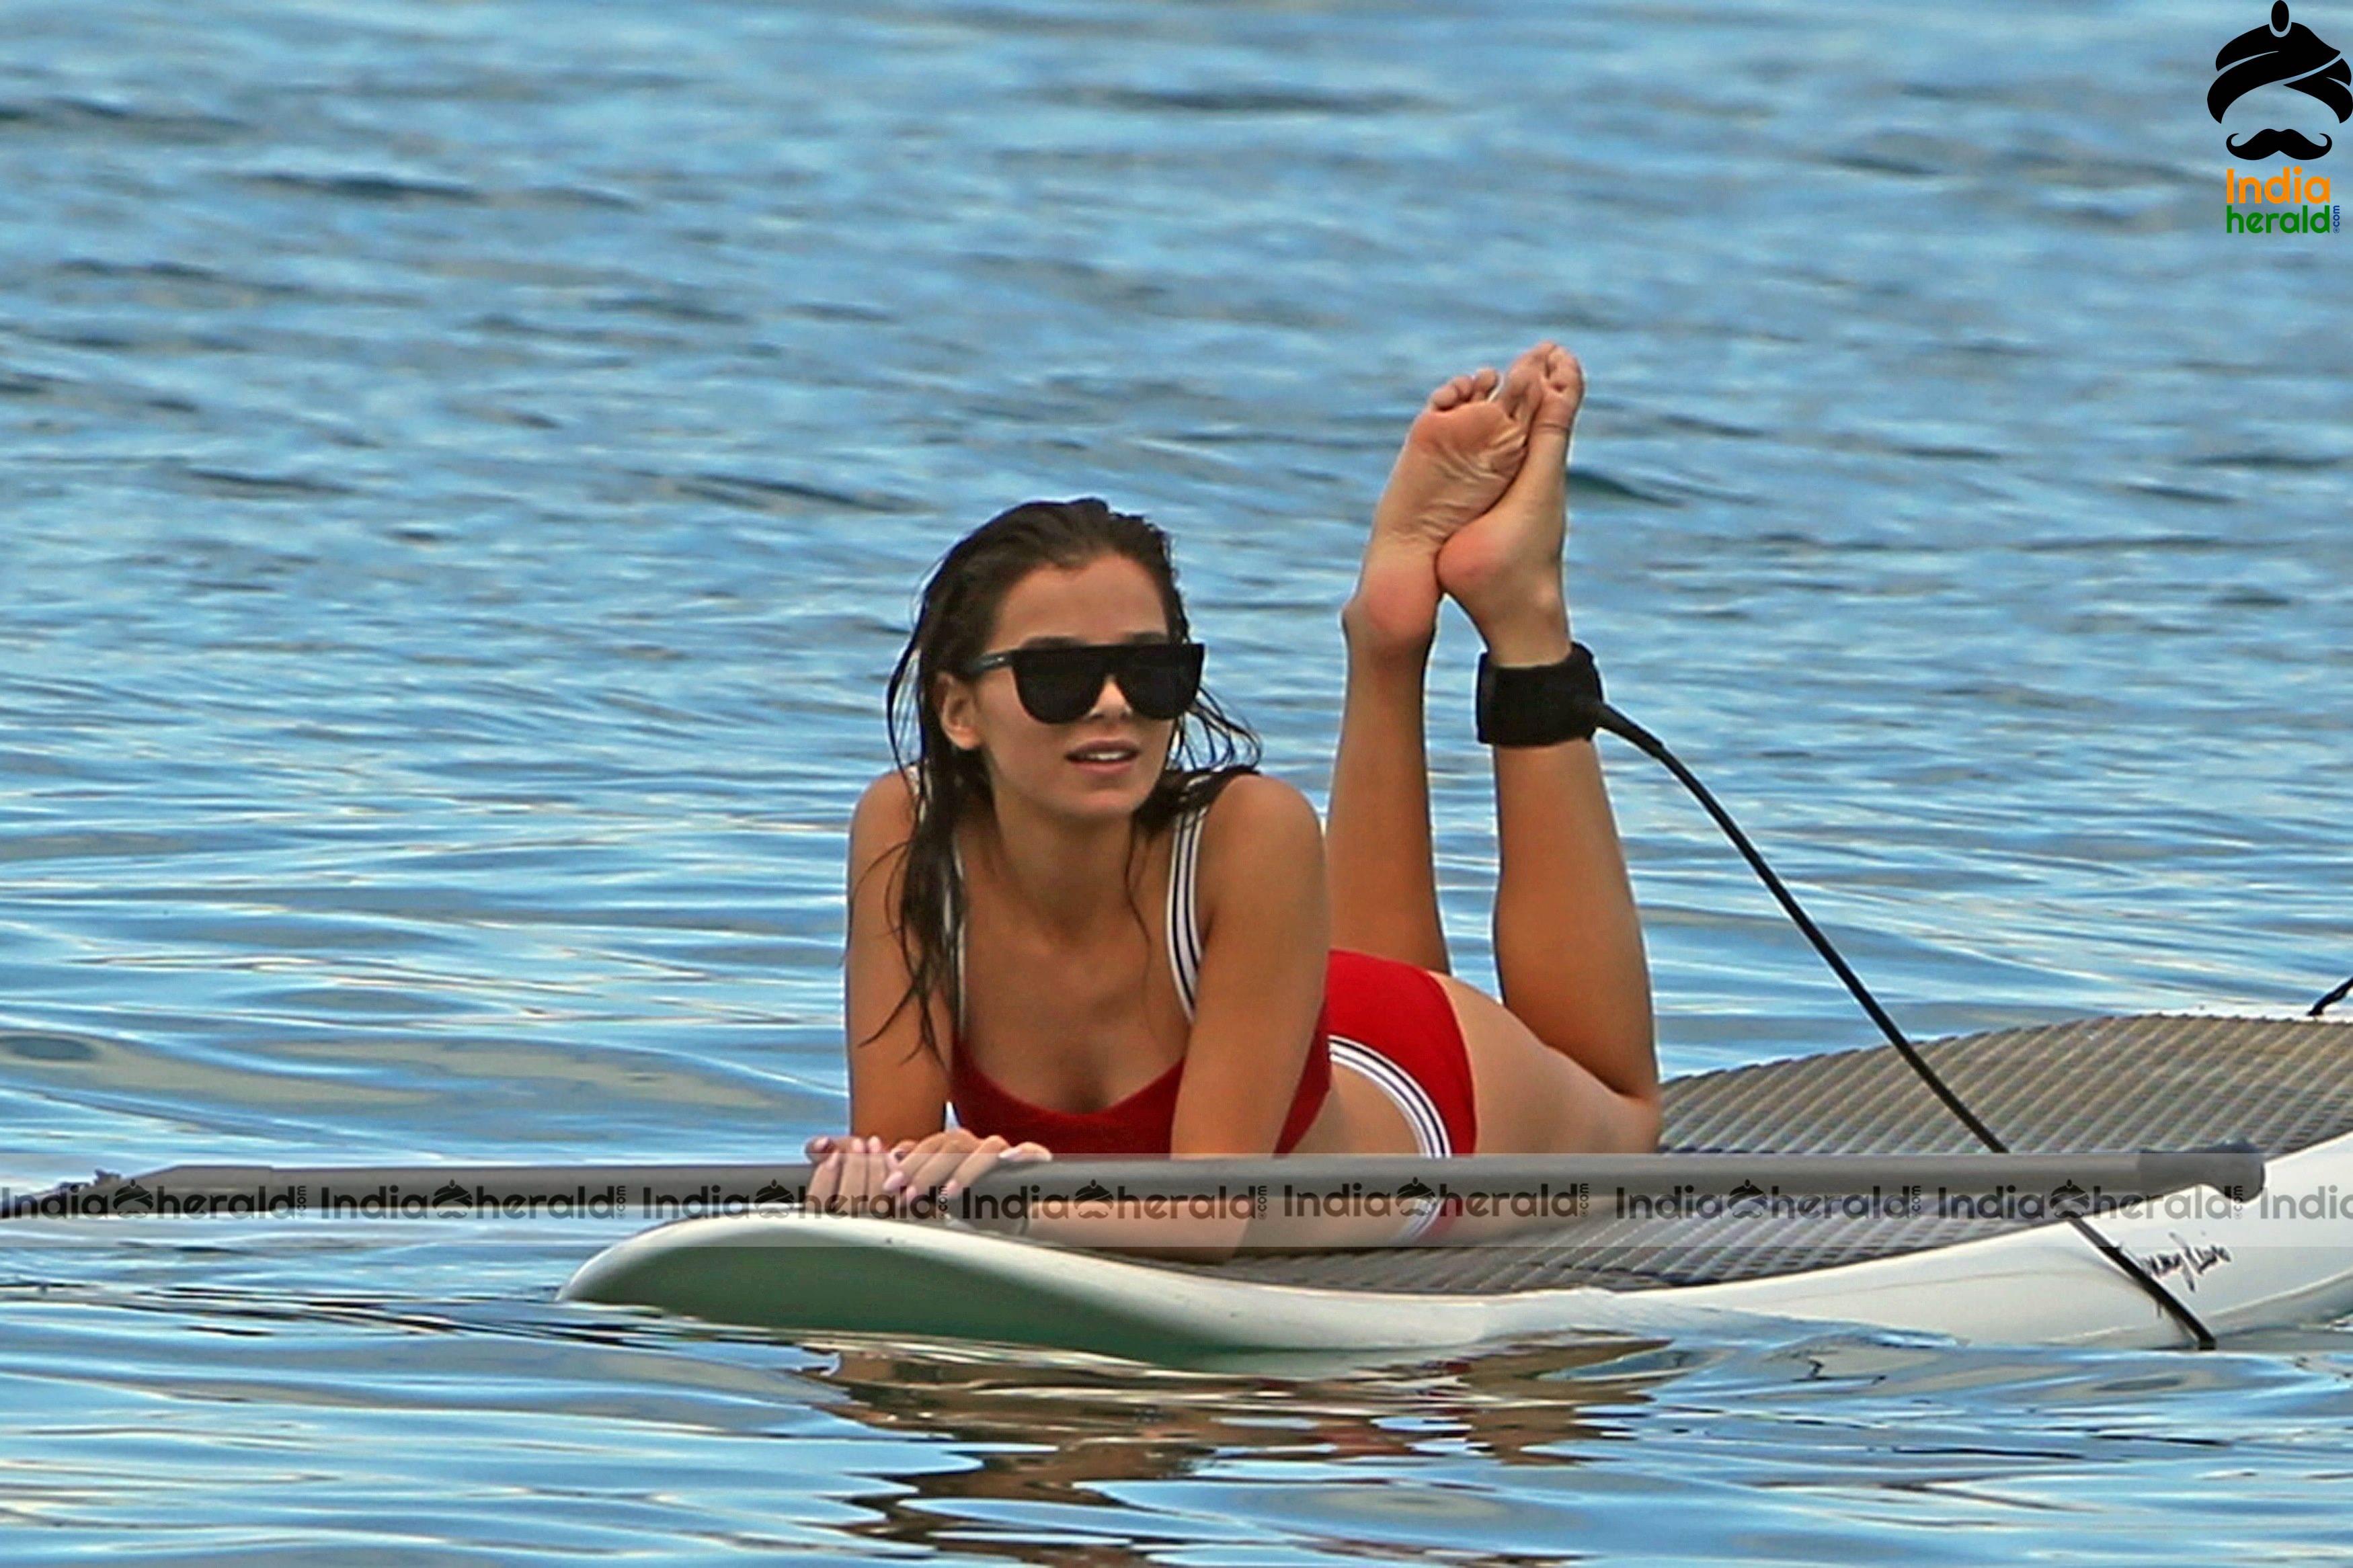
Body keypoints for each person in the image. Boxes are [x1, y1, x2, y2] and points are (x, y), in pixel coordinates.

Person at [809, 341, 1659, 1229]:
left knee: (1625, 1126)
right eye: (1056, 678)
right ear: (958, 711)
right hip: (1298, 1018)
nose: (1112, 706)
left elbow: (1213, 1212)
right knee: (1368, 974)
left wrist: (999, 1204)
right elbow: (895, 1157)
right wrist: (880, 1178)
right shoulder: (907, 830)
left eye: (1151, 671)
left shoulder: (1251, 828)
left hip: (1431, 1089)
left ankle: (1524, 614)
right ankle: (1390, 627)